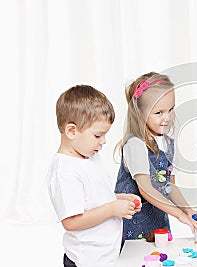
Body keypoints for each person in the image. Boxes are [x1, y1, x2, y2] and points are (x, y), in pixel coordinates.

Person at [47, 85, 142, 267]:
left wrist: (118, 199)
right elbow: (71, 221)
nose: (104, 141)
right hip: (86, 260)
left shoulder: (90, 156)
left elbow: (92, 199)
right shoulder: (65, 172)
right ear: (72, 131)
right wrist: (113, 209)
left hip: (105, 256)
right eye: (98, 135)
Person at [114, 72, 197, 245]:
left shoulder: (168, 143)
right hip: (134, 225)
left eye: (171, 109)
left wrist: (187, 210)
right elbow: (146, 189)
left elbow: (170, 186)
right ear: (140, 113)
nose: (168, 117)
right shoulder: (135, 144)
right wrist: (178, 214)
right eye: (159, 112)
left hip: (159, 222)